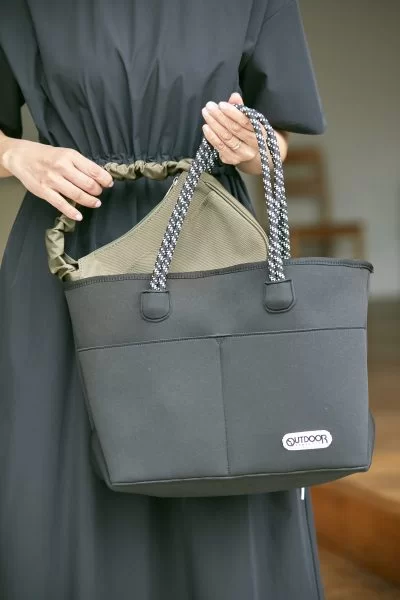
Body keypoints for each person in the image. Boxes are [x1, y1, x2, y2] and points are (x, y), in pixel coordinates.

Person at [0, 1, 326, 598]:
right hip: (70, 256)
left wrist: (253, 146)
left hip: (211, 249)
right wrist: (17, 155)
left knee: (226, 468)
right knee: (57, 483)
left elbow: (275, 139)